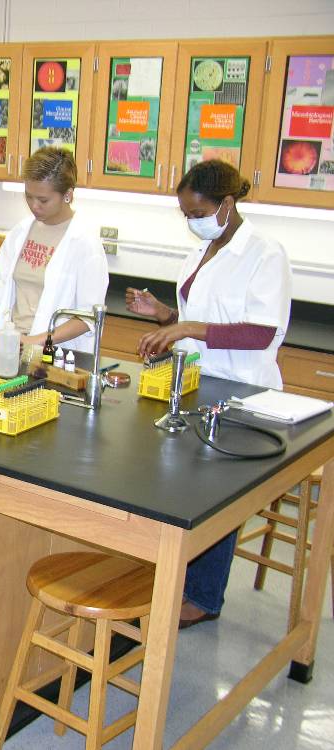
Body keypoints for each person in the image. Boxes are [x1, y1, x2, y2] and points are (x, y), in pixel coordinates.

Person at [125, 159, 292, 629]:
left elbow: (260, 333)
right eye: (185, 214)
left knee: (214, 494)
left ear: (227, 204)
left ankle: (203, 596)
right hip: (201, 381)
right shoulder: (205, 250)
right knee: (181, 487)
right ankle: (178, 576)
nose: (191, 221)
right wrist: (161, 313)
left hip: (244, 393)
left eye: (196, 212)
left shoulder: (264, 253)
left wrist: (186, 325)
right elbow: (194, 317)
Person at [0, 147, 107, 350]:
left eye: (43, 200)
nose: (34, 206)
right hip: (13, 344)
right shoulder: (21, 231)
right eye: (28, 196)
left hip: (56, 353)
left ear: (67, 195)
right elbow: (3, 290)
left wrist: (35, 340)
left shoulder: (85, 242)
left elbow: (87, 317)